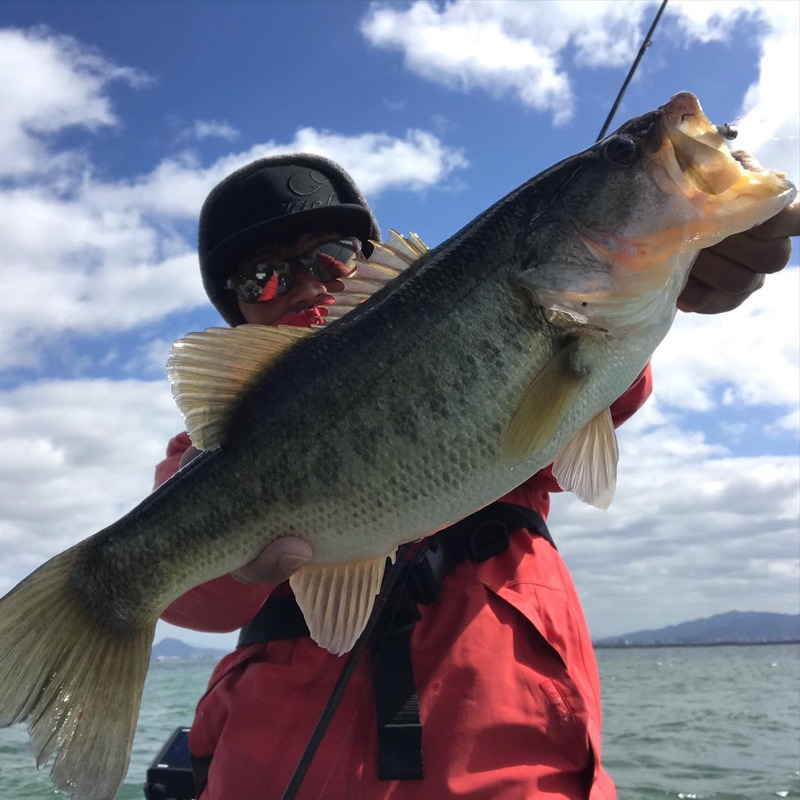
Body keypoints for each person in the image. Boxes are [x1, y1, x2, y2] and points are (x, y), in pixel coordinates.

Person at [156, 153, 799, 800]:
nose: (304, 286)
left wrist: (671, 257)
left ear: (369, 261)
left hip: (513, 774)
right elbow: (179, 595)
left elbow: (601, 387)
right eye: (262, 278)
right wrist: (231, 546)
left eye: (331, 254)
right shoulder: (204, 451)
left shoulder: (484, 336)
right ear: (236, 313)